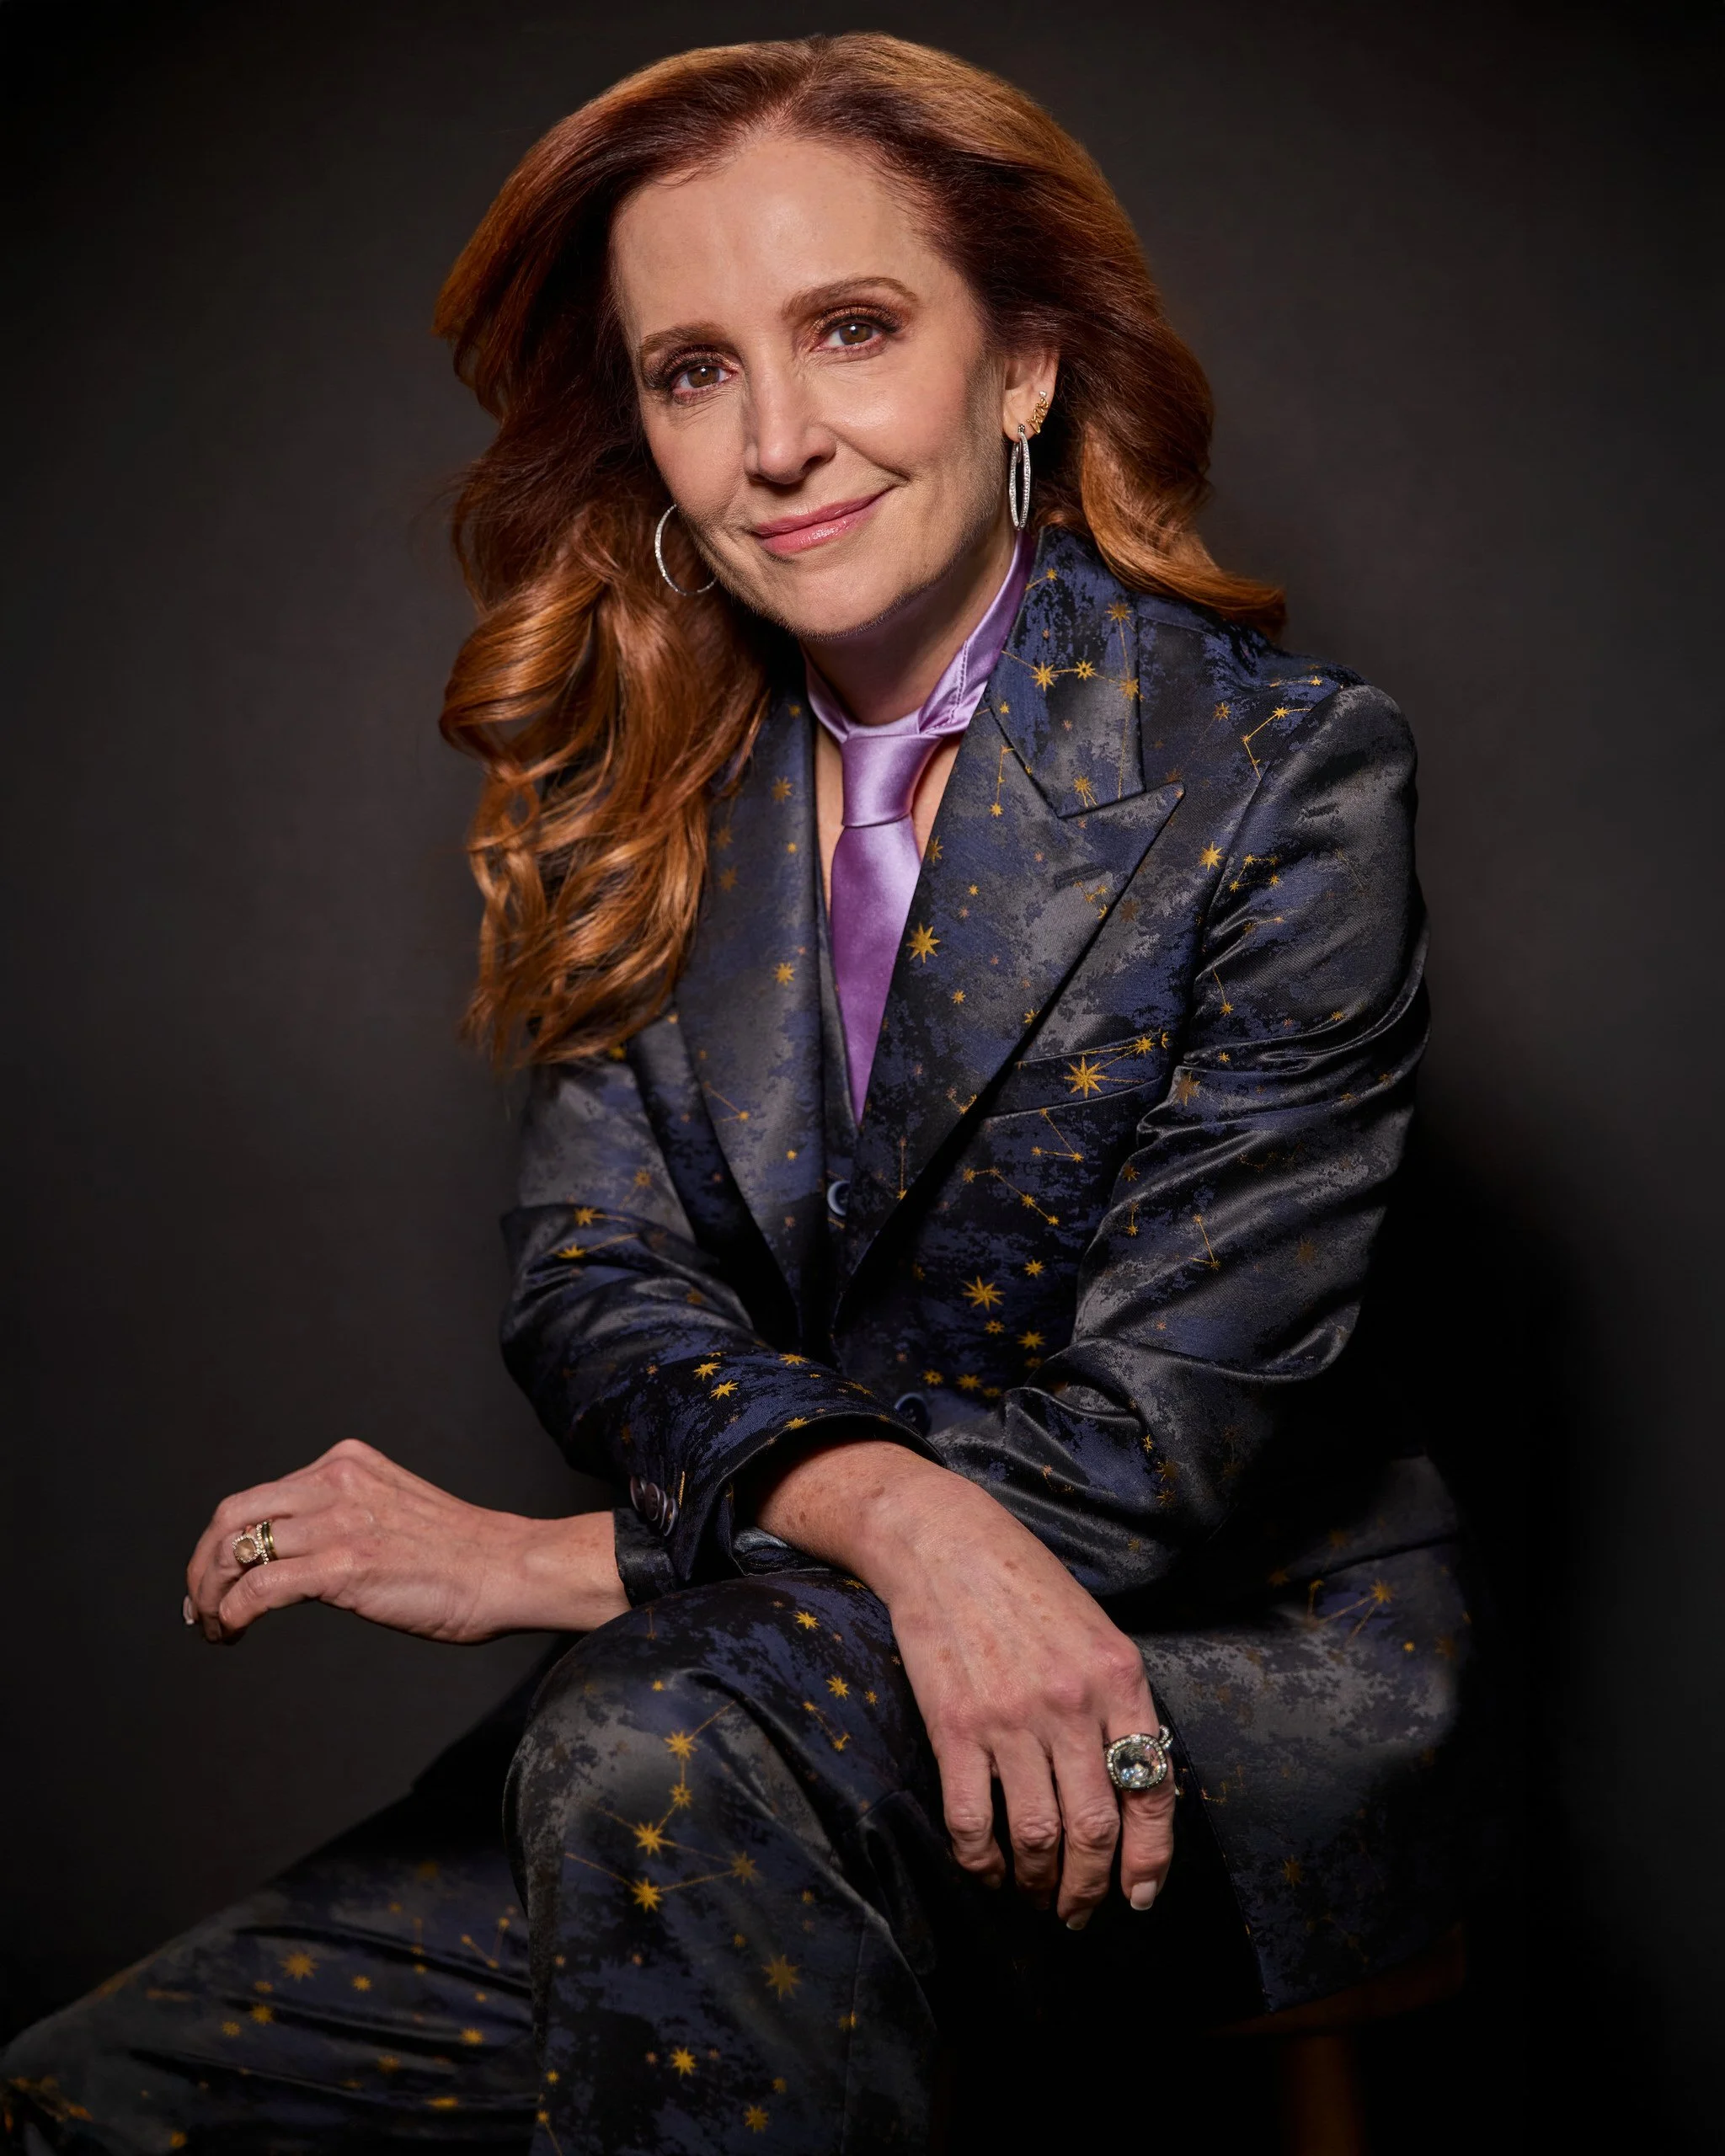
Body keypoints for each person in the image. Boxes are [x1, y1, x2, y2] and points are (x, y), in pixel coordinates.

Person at [3, 32, 1472, 2155]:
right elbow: (594, 1277)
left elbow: (1163, 1444)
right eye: (693, 370)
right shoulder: (653, 784)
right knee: (98, 2095)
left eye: (851, 329)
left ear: (1026, 364)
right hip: (751, 1680)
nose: (778, 438)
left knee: (656, 1747)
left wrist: (547, 1564)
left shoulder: (1279, 777)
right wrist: (881, 1511)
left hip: (1194, 1689)